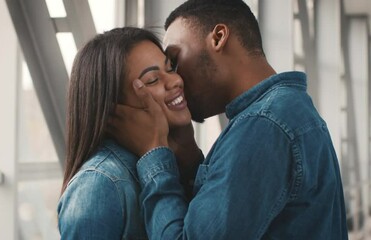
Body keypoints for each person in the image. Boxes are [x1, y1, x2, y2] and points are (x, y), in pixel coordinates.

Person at [110, 0, 348, 239]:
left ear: (218, 37)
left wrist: (154, 152)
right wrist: (189, 154)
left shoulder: (264, 126)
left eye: (175, 61)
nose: (176, 80)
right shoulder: (284, 112)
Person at [57, 27, 196, 239]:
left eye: (170, 69)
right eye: (152, 80)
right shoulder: (98, 185)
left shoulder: (171, 157)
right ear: (115, 107)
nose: (175, 81)